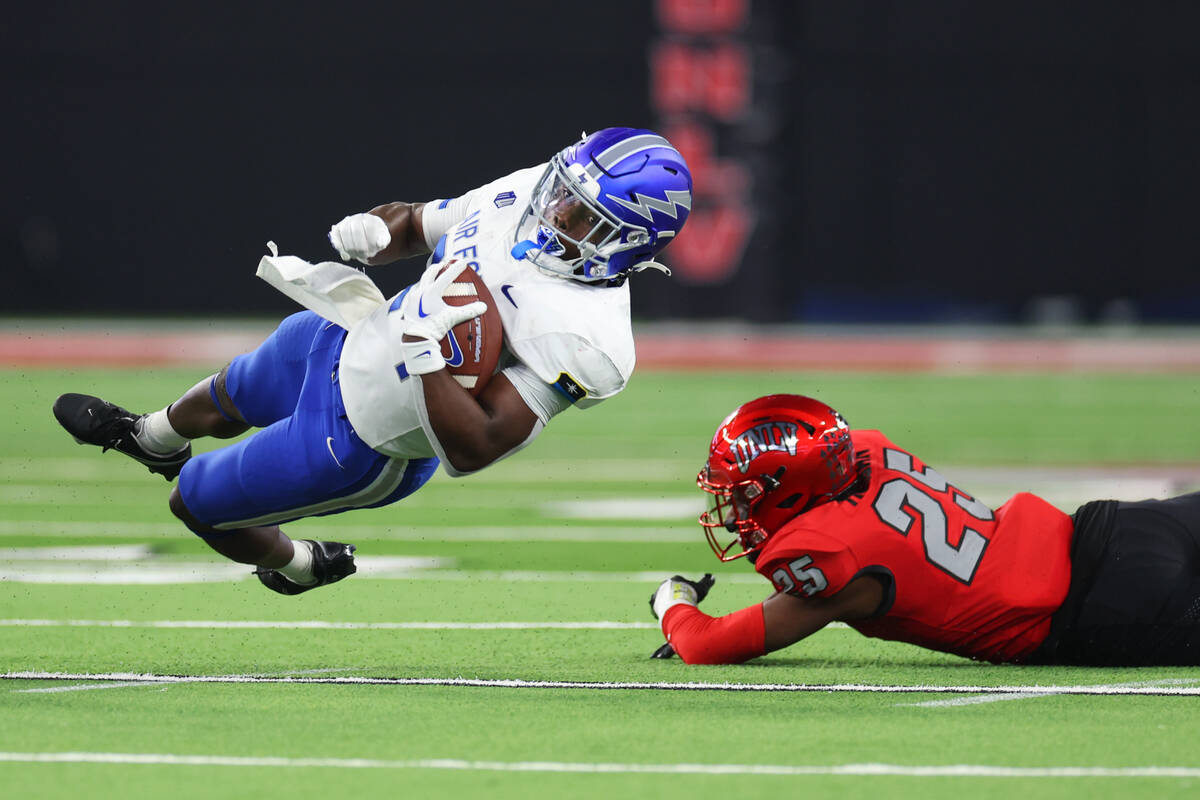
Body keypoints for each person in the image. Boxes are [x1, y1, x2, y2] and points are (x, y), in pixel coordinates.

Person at [53, 127, 693, 596]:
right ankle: (151, 437)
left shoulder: (589, 340)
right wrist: (381, 232)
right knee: (232, 390)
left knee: (194, 505)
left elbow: (476, 449)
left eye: (580, 213)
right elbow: (417, 224)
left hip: (363, 441)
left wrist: (424, 356)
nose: (554, 209)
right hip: (344, 336)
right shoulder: (526, 192)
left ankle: (297, 565)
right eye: (561, 189)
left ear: (627, 245)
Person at [648, 393, 1200, 666]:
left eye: (745, 491)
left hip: (1099, 609)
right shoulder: (863, 453)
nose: (735, 505)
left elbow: (707, 645)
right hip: (1111, 529)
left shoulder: (832, 557)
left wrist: (671, 601)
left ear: (792, 486)